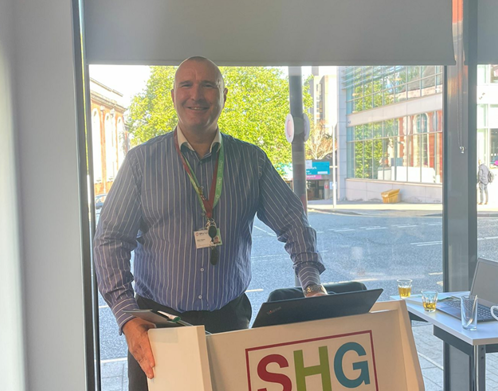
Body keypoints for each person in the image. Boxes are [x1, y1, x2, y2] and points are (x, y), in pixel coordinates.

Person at [94, 56, 326, 391]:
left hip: (229, 323)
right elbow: (110, 241)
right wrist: (128, 318)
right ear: (173, 95)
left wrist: (311, 283)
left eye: (208, 85)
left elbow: (293, 222)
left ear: (224, 95)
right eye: (186, 85)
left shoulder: (251, 161)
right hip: (158, 328)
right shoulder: (141, 162)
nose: (196, 94)